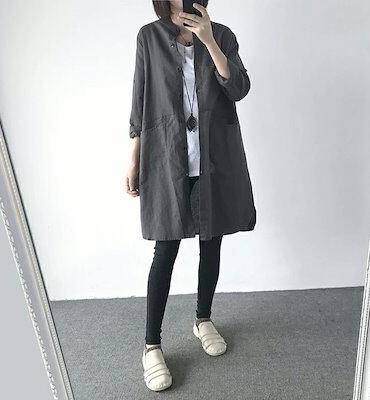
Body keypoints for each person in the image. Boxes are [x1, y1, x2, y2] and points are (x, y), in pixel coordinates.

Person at [126, 0, 256, 392]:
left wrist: (209, 40)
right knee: (165, 248)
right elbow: (140, 97)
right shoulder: (149, 37)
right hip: (167, 157)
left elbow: (238, 88)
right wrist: (133, 158)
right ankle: (151, 345)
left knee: (211, 241)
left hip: (213, 157)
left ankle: (203, 319)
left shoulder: (222, 35)